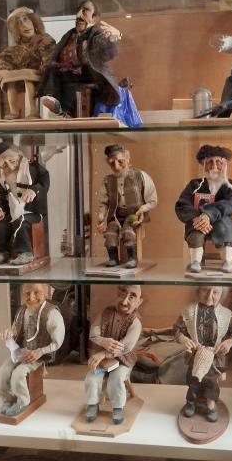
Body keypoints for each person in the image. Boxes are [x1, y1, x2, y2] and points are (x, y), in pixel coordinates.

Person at [36, 0, 121, 118]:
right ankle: (55, 104)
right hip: (68, 71)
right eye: (79, 10)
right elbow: (56, 52)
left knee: (69, 80)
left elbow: (107, 51)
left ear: (94, 19)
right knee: (53, 70)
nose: (79, 15)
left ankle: (65, 110)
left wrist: (113, 38)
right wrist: (49, 62)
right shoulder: (69, 34)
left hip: (88, 73)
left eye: (85, 10)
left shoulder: (95, 35)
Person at [173, 286, 232, 422]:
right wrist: (183, 338)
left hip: (214, 355)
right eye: (205, 290)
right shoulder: (188, 311)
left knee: (211, 380)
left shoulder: (226, 314)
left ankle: (211, 404)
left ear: (221, 294)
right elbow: (176, 329)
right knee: (193, 379)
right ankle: (191, 401)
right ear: (198, 290)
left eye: (215, 292)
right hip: (195, 353)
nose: (209, 295)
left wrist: (230, 341)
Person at [0, 284, 65, 417]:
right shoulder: (22, 310)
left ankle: (23, 401)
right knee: (3, 371)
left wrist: (41, 351)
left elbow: (58, 341)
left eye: (36, 292)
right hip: (21, 352)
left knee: (18, 374)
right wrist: (8, 334)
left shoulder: (52, 314)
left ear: (46, 293)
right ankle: (7, 400)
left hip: (38, 355)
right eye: (27, 293)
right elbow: (16, 330)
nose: (31, 297)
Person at [175, 145, 232, 273]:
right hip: (198, 221)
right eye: (210, 162)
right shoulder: (194, 185)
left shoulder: (230, 186)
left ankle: (227, 261)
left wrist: (208, 215)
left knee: (225, 227)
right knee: (195, 232)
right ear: (203, 164)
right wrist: (197, 218)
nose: (214, 166)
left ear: (224, 164)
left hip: (221, 221)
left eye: (218, 162)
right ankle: (196, 261)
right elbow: (182, 205)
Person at [85, 285, 143, 425]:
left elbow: (126, 347)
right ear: (117, 293)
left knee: (116, 378)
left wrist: (103, 353)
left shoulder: (135, 322)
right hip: (104, 364)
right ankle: (92, 404)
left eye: (132, 297)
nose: (124, 301)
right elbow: (93, 334)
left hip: (123, 362)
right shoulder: (106, 312)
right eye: (123, 293)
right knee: (92, 377)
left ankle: (118, 407)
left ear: (139, 302)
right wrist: (103, 341)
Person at [0, 141, 50, 265]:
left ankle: (25, 253)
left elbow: (44, 180)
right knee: (1, 226)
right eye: (4, 166)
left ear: (18, 155)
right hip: (14, 212)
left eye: (12, 161)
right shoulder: (4, 179)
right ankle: (2, 253)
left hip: (33, 211)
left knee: (20, 222)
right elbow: (2, 198)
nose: (11, 168)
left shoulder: (32, 167)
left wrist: (34, 190)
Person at [96, 144, 157, 268]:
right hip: (115, 216)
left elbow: (153, 200)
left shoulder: (140, 176)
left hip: (133, 215)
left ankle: (132, 258)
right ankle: (113, 258)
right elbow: (103, 203)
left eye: (120, 161)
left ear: (127, 159)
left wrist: (142, 209)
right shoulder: (107, 181)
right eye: (112, 163)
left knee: (128, 231)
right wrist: (102, 218)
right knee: (110, 232)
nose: (116, 166)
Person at [0, 7, 56, 120]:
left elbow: (49, 62)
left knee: (26, 75)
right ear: (16, 29)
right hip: (23, 77)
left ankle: (33, 111)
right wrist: (2, 70)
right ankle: (14, 111)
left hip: (42, 77)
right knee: (8, 78)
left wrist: (43, 67)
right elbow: (4, 60)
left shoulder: (45, 39)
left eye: (26, 19)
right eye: (19, 23)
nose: (24, 25)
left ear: (34, 21)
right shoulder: (15, 48)